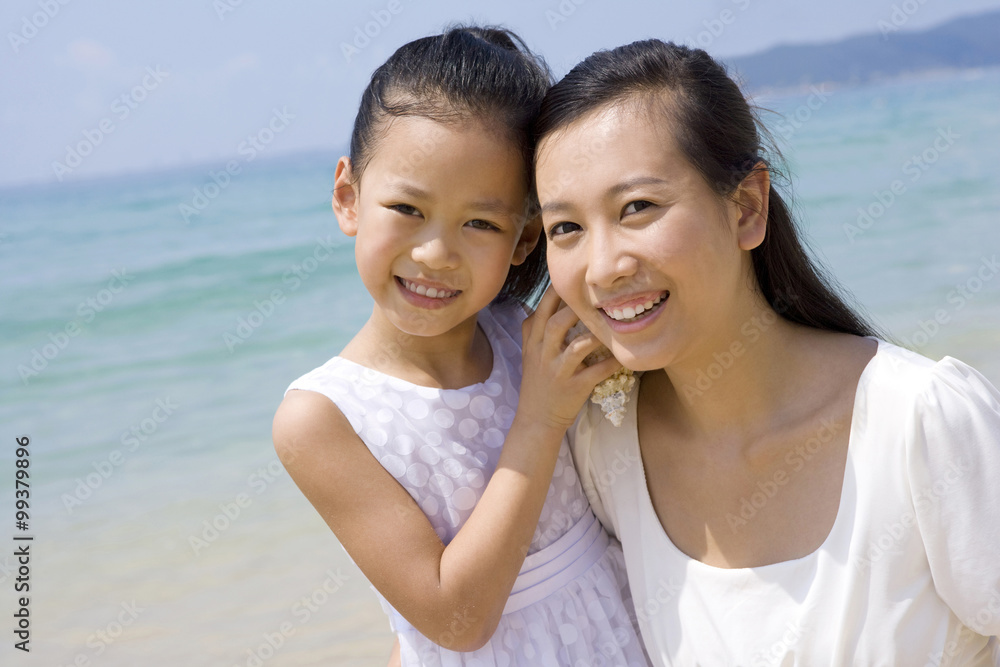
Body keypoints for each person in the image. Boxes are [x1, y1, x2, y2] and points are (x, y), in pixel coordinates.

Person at [532, 39, 1000, 666]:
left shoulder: (919, 421)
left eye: (638, 207)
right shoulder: (603, 449)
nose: (603, 267)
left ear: (747, 207)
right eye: (566, 228)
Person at [272, 26, 650, 666]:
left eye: (480, 223)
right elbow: (456, 618)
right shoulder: (324, 418)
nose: (435, 254)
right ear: (348, 197)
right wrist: (540, 416)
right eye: (407, 208)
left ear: (524, 239)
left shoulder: (528, 333)